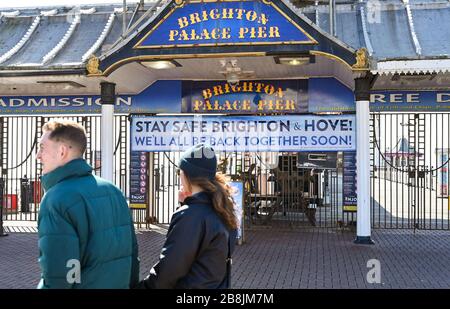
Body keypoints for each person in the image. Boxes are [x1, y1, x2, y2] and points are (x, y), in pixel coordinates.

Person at [36, 120, 139, 289]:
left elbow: (60, 276)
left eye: (42, 148)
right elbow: (132, 255)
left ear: (62, 151)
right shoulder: (113, 191)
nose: (38, 155)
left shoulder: (56, 199)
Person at [140, 144, 238, 289]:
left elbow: (169, 272)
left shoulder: (190, 215)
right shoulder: (223, 208)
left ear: (186, 175)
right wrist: (184, 204)